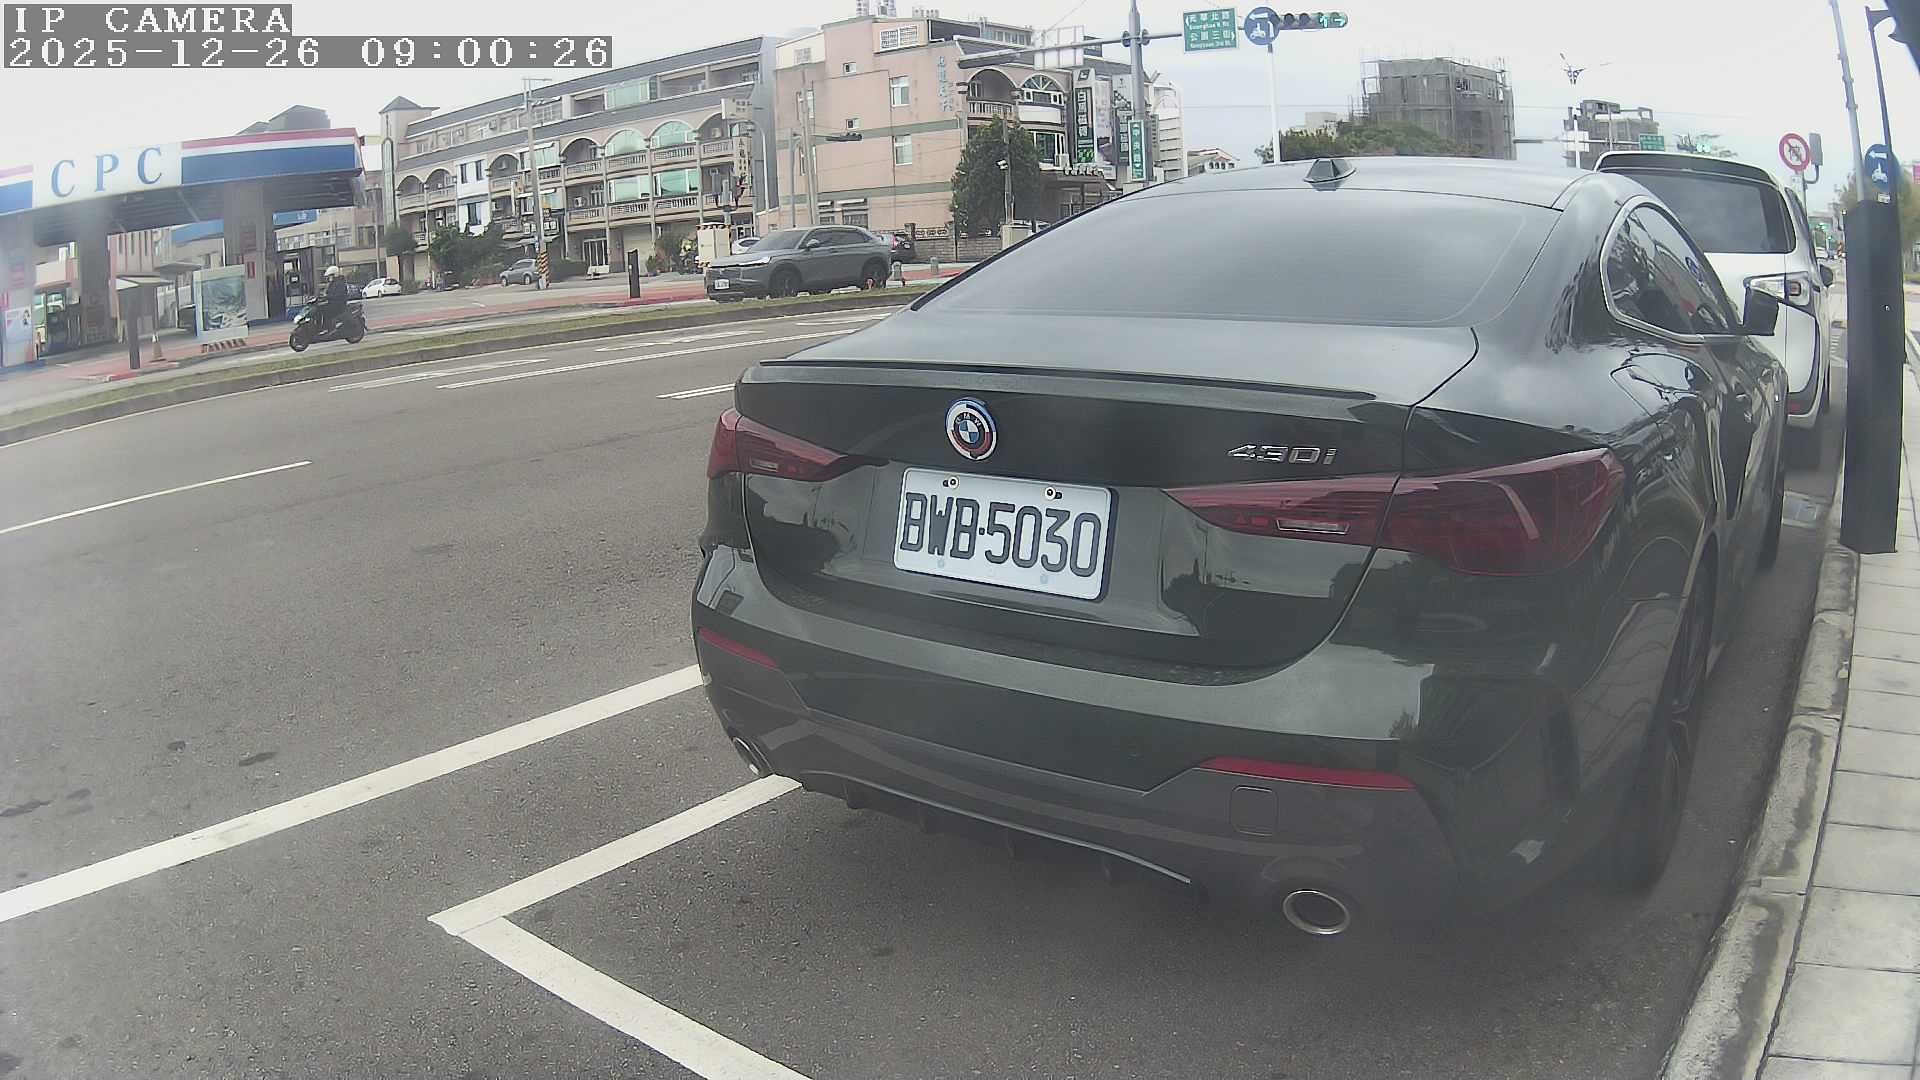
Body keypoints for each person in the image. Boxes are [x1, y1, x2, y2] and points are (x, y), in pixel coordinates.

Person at [317, 266, 348, 332]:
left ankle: (327, 327)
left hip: (339, 304)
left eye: (330, 276)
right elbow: (328, 292)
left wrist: (328, 296)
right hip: (333, 303)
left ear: (334, 275)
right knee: (318, 308)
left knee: (324, 310)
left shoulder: (340, 283)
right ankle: (320, 327)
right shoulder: (332, 283)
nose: (329, 278)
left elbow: (338, 295)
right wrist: (321, 296)